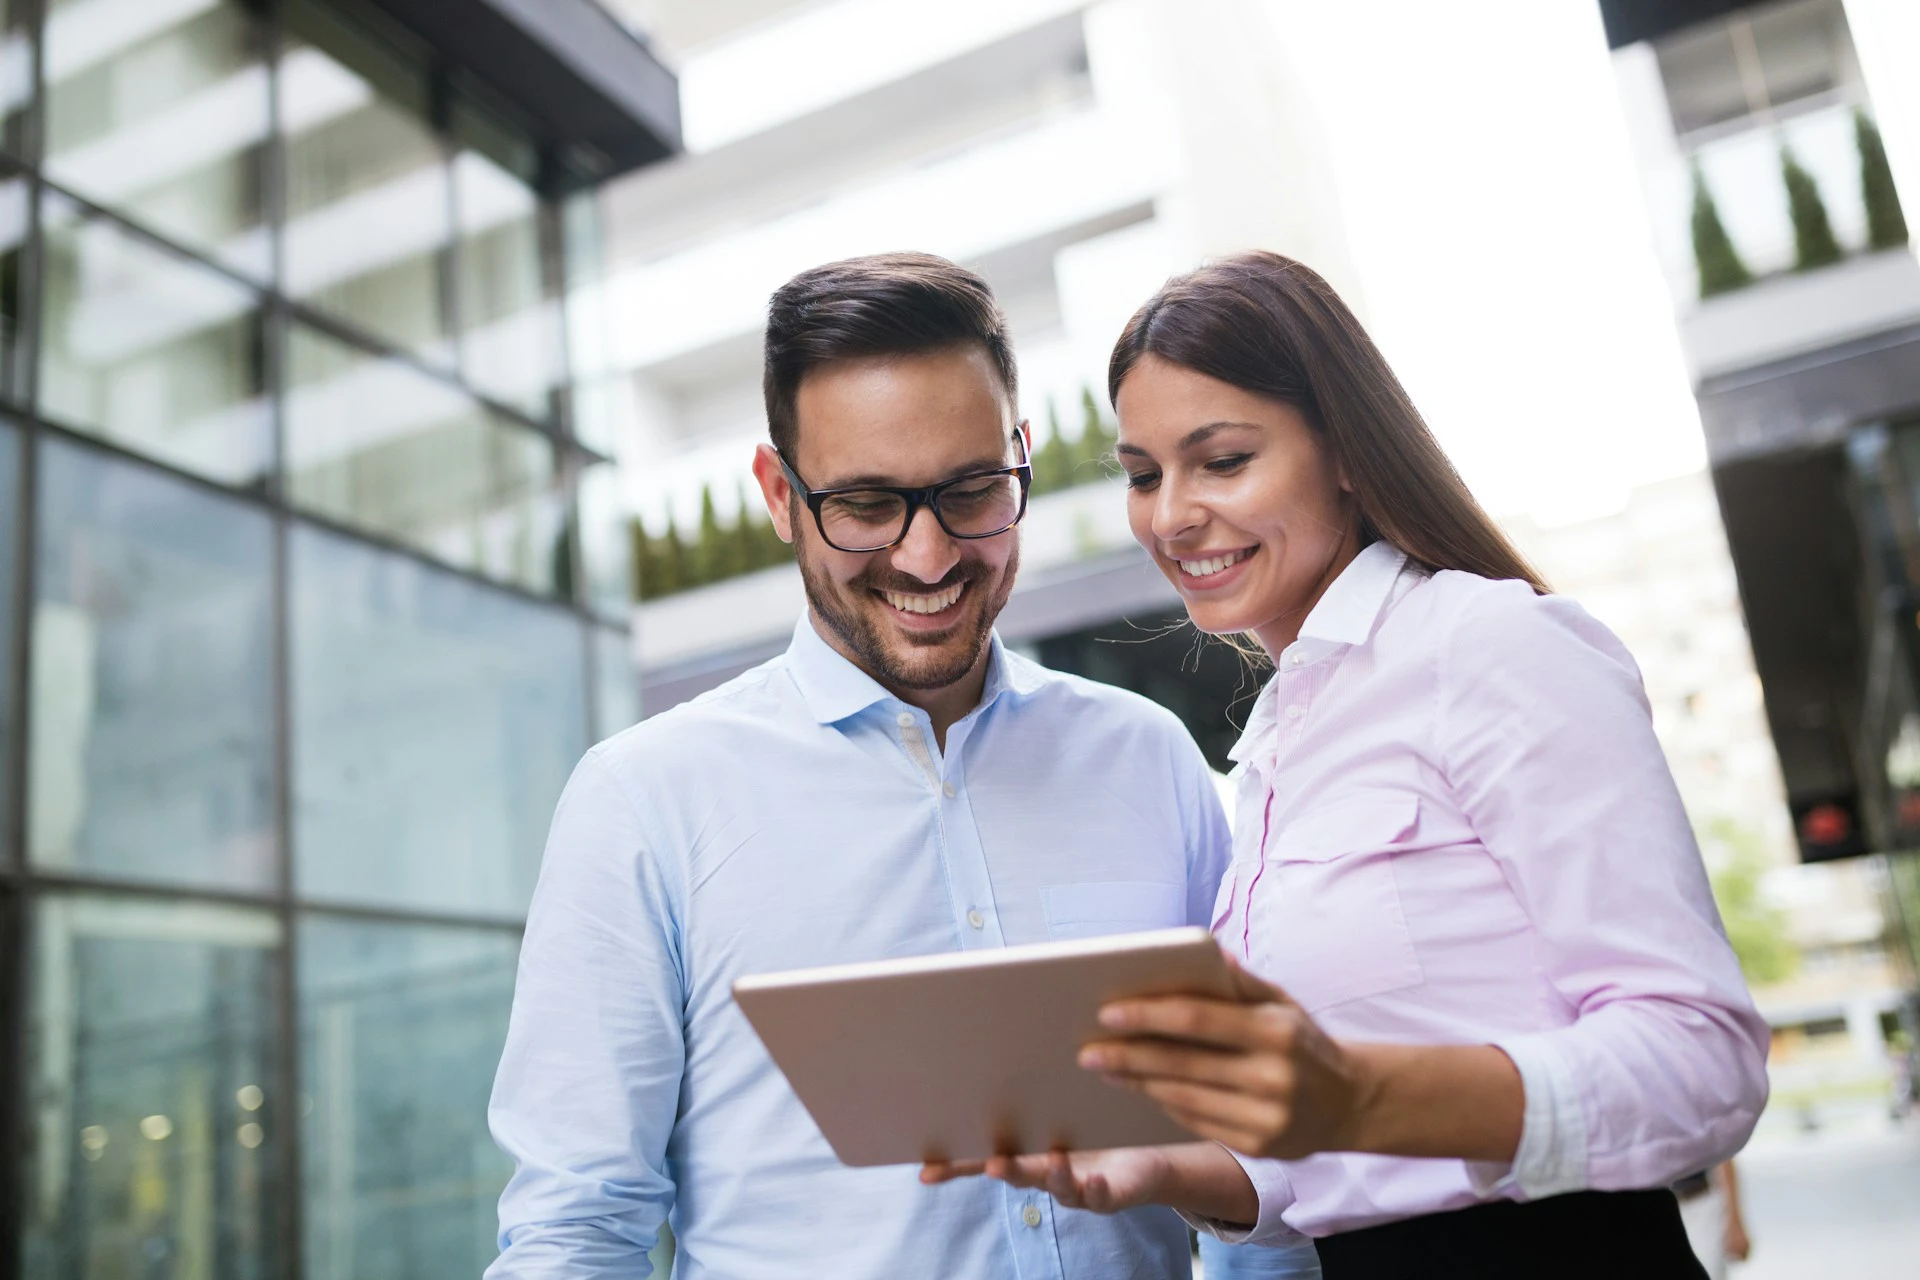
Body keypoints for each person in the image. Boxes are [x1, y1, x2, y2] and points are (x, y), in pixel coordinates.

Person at [925, 251, 1771, 1278]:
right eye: (1144, 474)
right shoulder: (1287, 735)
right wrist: (1167, 1167)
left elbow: (1705, 1063)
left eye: (1222, 460)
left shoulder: (1491, 645)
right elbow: (1340, 1171)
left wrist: (1363, 1093)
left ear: (1346, 452)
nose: (1170, 513)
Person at [485, 252, 1232, 1279]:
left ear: (1019, 459)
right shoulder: (646, 802)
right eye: (867, 505)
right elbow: (576, 1233)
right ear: (779, 494)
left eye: (972, 491)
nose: (928, 558)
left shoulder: (1147, 759)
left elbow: (1253, 1167)